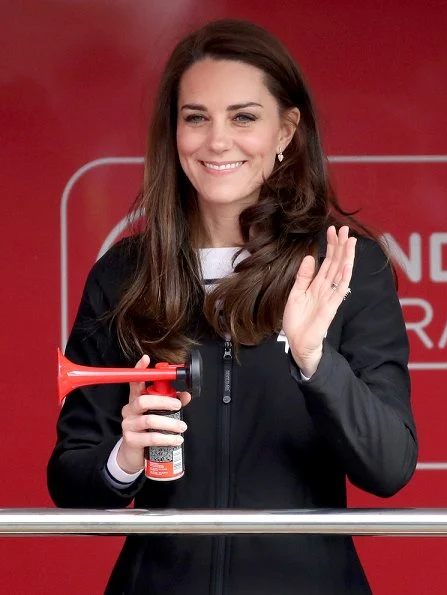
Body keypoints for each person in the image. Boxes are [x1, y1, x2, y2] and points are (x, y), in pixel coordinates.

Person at [47, 18, 418, 595]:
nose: (217, 141)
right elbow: (72, 483)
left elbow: (389, 467)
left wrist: (315, 359)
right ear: (174, 132)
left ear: (286, 131)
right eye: (196, 118)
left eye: (244, 117)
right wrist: (124, 457)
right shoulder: (123, 274)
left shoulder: (347, 267)